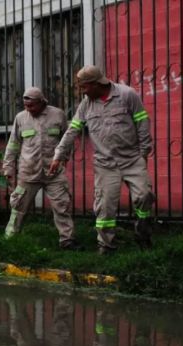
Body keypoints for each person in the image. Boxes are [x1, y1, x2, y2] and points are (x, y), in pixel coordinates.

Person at [50, 65, 154, 255]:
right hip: (105, 164)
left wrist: (144, 153)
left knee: (144, 196)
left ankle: (143, 235)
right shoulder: (86, 104)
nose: (82, 91)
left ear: (97, 84)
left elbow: (142, 122)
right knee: (105, 207)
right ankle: (106, 245)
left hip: (132, 159)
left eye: (84, 87)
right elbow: (72, 130)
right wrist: (58, 155)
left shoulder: (127, 95)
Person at [2, 87, 80, 250]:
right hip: (28, 172)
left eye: (31, 106)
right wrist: (8, 167)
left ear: (41, 102)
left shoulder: (58, 115)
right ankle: (10, 238)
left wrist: (63, 159)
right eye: (25, 106)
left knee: (62, 206)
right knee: (18, 207)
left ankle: (67, 240)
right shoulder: (21, 118)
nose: (28, 109)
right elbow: (13, 144)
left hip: (54, 173)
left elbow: (67, 139)